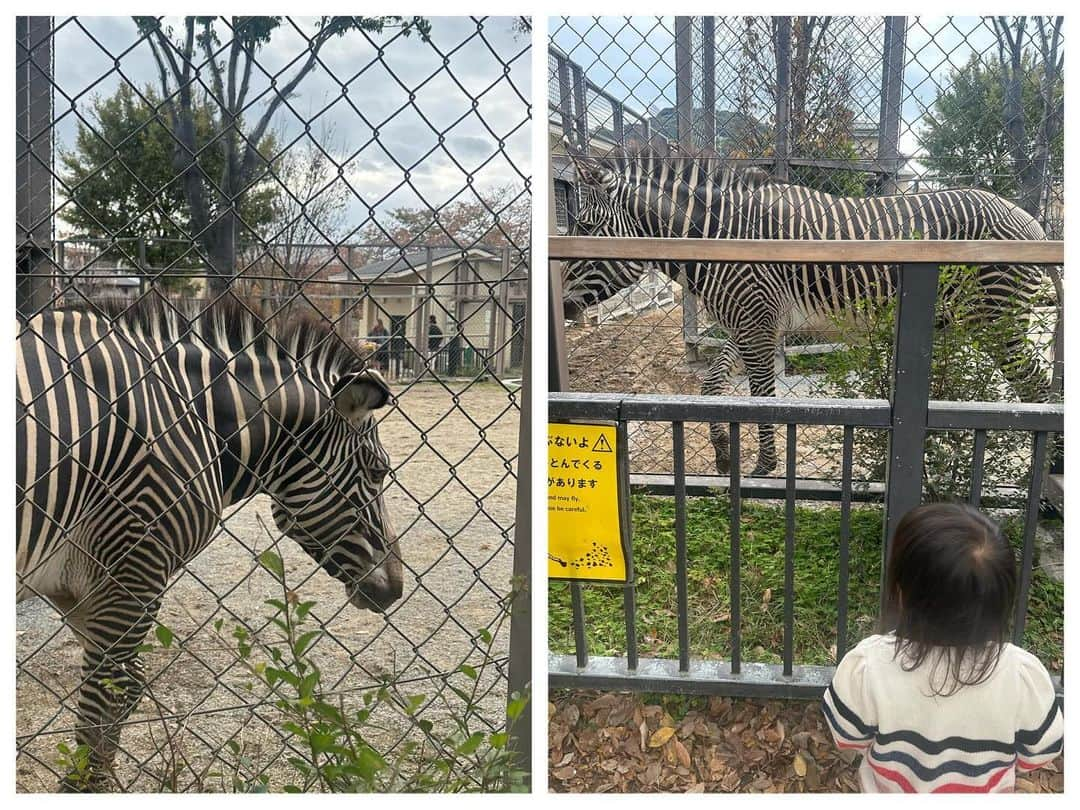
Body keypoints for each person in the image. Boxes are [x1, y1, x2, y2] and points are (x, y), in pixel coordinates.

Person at [822, 503, 1062, 793]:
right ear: (1003, 601)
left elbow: (848, 737)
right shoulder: (1022, 677)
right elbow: (1039, 753)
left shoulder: (869, 666)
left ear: (900, 592)